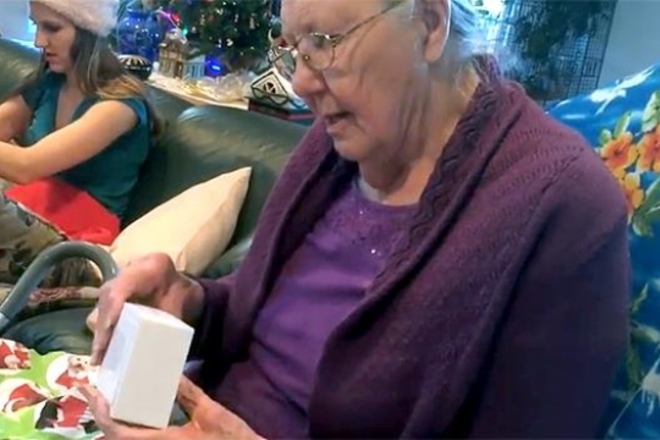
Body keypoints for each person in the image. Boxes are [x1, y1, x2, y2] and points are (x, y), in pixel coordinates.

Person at [82, 0, 631, 438]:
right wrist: (189, 299)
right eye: (293, 48)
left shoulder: (561, 203)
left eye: (324, 42)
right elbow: (267, 321)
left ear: (429, 24)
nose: (300, 82)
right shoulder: (339, 139)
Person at [0, 0, 160, 246]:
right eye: (37, 26)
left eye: (52, 28)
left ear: (88, 30)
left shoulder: (120, 106)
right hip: (32, 207)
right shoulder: (50, 82)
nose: (39, 42)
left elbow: (26, 166)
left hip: (79, 235)